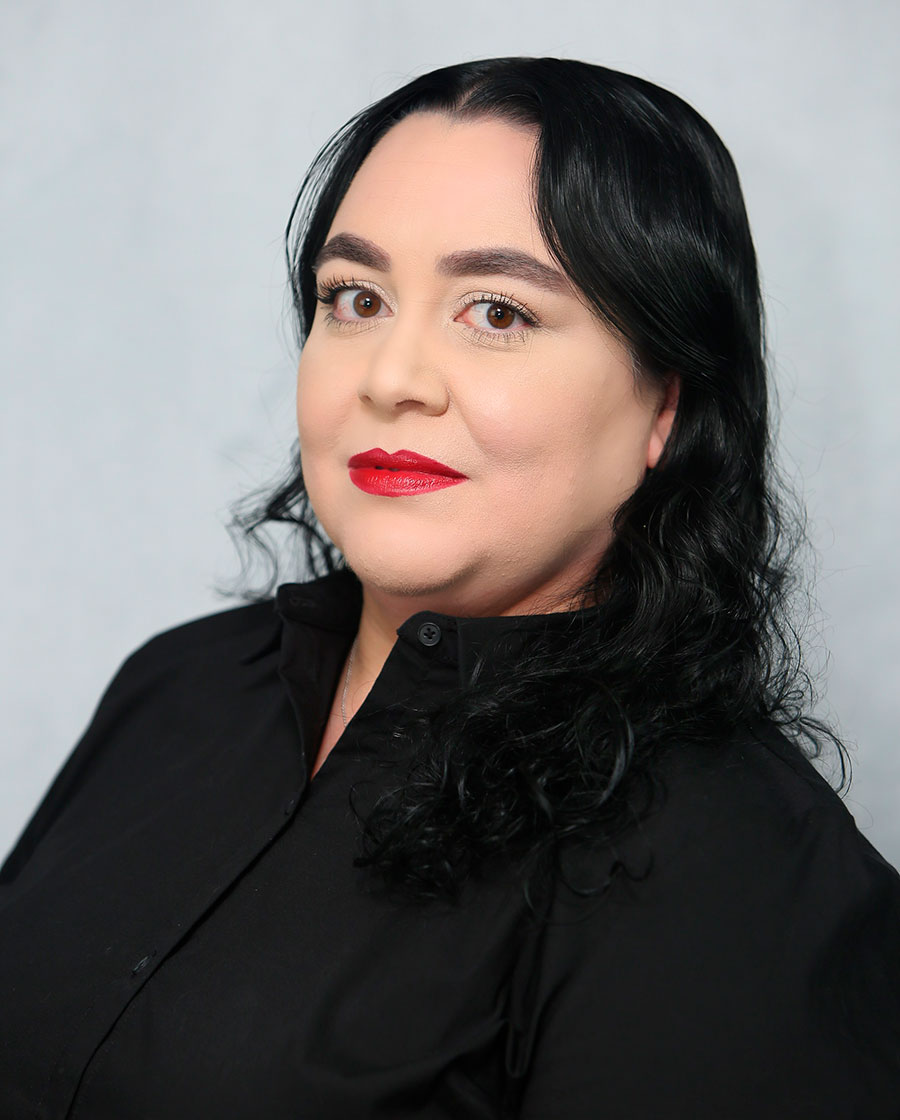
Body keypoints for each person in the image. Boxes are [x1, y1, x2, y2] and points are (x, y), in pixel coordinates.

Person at [1, 57, 898, 1119]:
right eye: (357, 298)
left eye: (498, 313)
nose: (392, 378)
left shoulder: (741, 868)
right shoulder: (182, 683)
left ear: (666, 404)